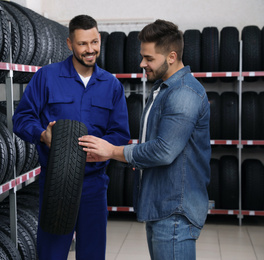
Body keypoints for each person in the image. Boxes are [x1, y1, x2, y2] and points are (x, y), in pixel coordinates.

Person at [79, 19, 211, 260]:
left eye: (149, 58)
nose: (142, 63)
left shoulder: (184, 94)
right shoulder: (164, 88)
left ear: (171, 56)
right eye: (143, 57)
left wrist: (112, 151)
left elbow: (163, 151)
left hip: (174, 212)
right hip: (161, 206)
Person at [12, 15, 130, 260]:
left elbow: (120, 133)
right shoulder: (47, 77)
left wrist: (105, 148)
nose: (90, 50)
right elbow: (21, 119)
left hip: (94, 184)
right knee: (51, 254)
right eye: (83, 44)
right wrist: (42, 135)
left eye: (95, 42)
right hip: (56, 182)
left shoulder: (111, 85)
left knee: (92, 254)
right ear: (69, 44)